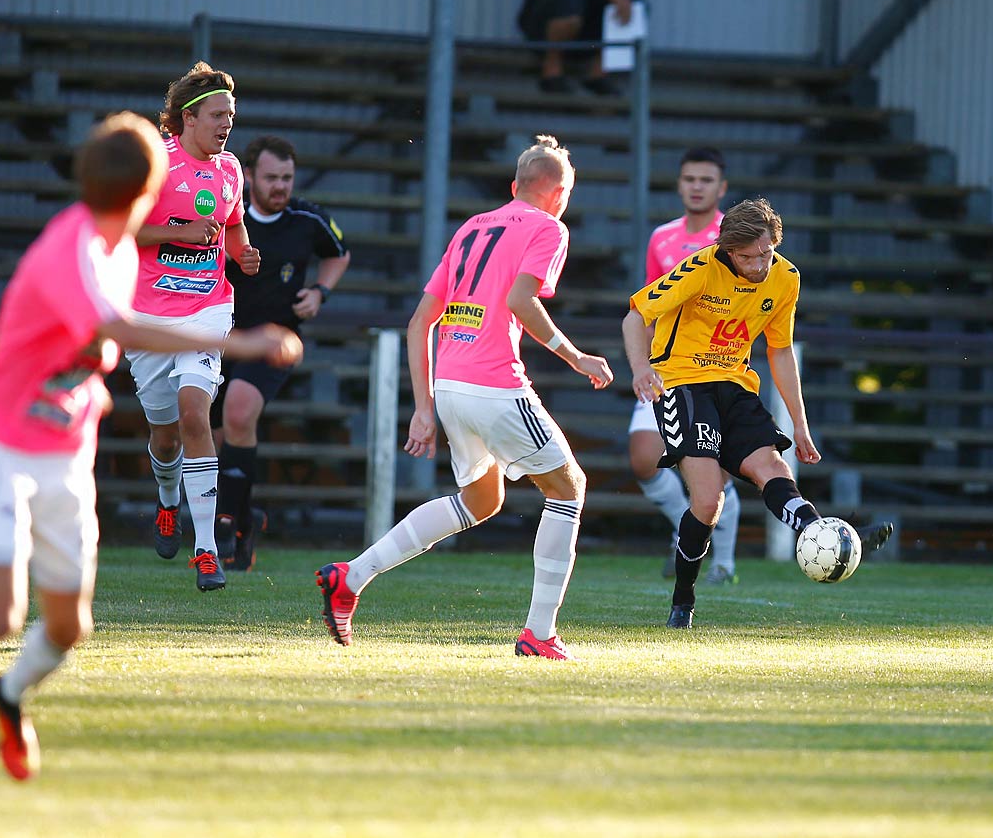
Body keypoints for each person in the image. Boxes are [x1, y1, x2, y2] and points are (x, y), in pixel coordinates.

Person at [0, 113, 300, 794]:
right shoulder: (72, 248)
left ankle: (9, 697)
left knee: (69, 626)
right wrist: (244, 344)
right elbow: (110, 325)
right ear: (148, 187)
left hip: (62, 450)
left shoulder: (116, 246)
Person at [315, 136, 613, 658]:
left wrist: (424, 407)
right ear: (559, 192)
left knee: (483, 500)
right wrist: (577, 357)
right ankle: (539, 634)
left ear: (512, 186)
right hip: (495, 385)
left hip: (451, 387)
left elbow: (417, 325)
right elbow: (522, 300)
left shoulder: (472, 227)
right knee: (569, 488)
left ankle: (351, 576)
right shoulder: (550, 228)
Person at [621, 198, 891, 628]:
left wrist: (800, 425)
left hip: (735, 384)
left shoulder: (785, 278)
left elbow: (780, 351)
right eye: (747, 257)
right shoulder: (699, 269)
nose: (759, 264)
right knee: (708, 500)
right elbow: (635, 316)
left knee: (773, 466)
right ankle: (683, 602)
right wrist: (640, 369)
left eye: (766, 252)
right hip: (683, 382)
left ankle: (823, 536)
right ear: (728, 250)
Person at [126, 62, 257, 592]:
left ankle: (205, 550)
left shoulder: (230, 169)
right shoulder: (155, 163)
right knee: (163, 433)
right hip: (149, 315)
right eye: (217, 115)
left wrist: (242, 252)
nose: (226, 123)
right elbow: (124, 229)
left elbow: (231, 225)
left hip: (207, 309)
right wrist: (177, 232)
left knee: (194, 413)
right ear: (188, 117)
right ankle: (166, 498)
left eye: (231, 115)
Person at [212, 135, 351, 570]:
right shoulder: (226, 217)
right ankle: (240, 516)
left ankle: (234, 531)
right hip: (218, 338)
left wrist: (320, 292)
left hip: (274, 343)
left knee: (238, 411)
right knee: (210, 438)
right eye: (271, 177)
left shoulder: (307, 219)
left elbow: (339, 253)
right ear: (249, 176)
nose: (280, 187)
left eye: (287, 178)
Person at [629, 148, 742, 584]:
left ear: (722, 188)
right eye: (690, 178)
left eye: (706, 179)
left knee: (716, 467)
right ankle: (687, 529)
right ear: (679, 184)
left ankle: (724, 563)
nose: (697, 186)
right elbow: (649, 304)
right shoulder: (662, 238)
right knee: (643, 457)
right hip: (666, 366)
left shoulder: (734, 237)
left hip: (716, 366)